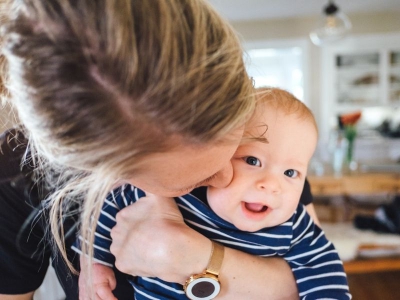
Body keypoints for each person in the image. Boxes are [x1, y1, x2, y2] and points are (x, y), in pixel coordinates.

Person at [0, 0, 319, 299]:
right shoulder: (15, 175)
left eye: (238, 148)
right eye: (196, 179)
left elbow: (317, 273)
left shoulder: (272, 148)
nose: (228, 176)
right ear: (103, 172)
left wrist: (198, 259)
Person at [77, 88, 351, 300]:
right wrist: (94, 264)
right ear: (219, 154)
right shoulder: (180, 191)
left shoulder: (293, 224)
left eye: (290, 173)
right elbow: (109, 207)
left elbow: (323, 268)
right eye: (252, 161)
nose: (271, 184)